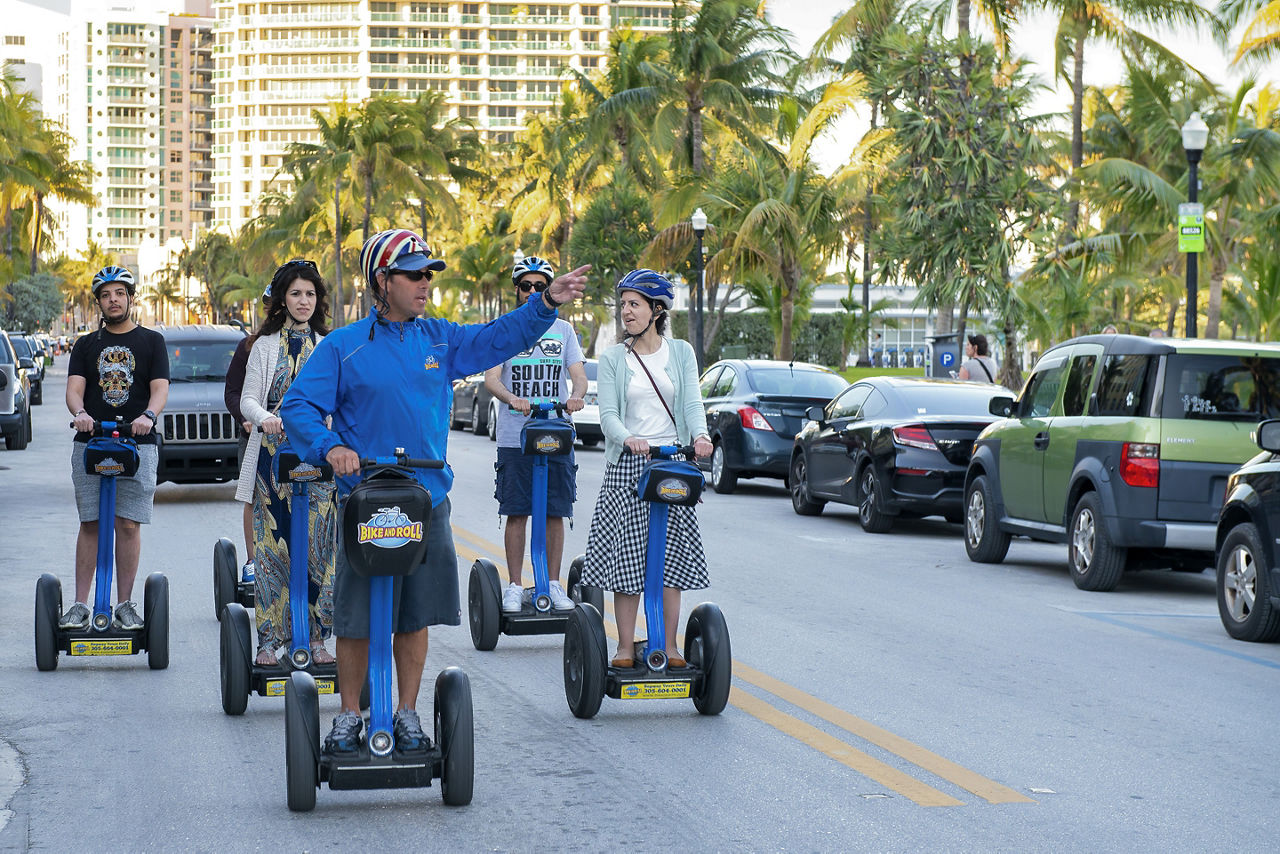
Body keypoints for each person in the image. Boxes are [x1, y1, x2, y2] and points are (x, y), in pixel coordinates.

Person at [281, 229, 588, 756]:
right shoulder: (344, 345)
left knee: (414, 614)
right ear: (383, 281)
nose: (426, 284)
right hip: (366, 500)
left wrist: (545, 304)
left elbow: (497, 337)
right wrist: (331, 448)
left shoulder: (441, 340)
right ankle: (349, 716)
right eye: (415, 275)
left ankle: (405, 713)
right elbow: (298, 408)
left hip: (425, 500)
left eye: (429, 274)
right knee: (356, 616)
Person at [580, 269, 713, 669]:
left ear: (657, 310)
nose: (626, 312)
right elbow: (608, 416)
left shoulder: (682, 352)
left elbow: (691, 403)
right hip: (629, 467)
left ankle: (669, 646)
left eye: (634, 304)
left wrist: (702, 436)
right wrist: (628, 438)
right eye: (623, 305)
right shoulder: (613, 358)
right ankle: (624, 646)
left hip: (672, 463)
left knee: (670, 558)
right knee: (629, 559)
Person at [235, 260, 336, 667]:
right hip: (273, 460)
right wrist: (265, 419)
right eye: (295, 293)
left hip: (317, 459)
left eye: (310, 294)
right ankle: (268, 643)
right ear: (282, 299)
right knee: (273, 551)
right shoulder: (264, 346)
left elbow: (338, 400)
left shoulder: (329, 344)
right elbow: (248, 400)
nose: (303, 301)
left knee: (318, 550)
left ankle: (317, 640)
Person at [61, 265, 170, 631]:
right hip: (91, 443)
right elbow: (74, 389)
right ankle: (79, 605)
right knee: (90, 524)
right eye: (106, 295)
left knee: (127, 525)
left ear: (131, 298)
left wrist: (149, 416)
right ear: (99, 303)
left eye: (120, 293)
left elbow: (159, 388)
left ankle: (124, 604)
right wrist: (81, 414)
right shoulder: (86, 345)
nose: (114, 300)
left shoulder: (152, 341)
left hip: (138, 443)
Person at [484, 255, 588, 614]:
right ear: (517, 290)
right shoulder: (506, 328)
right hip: (515, 436)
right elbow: (491, 377)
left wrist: (576, 396)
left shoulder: (564, 330)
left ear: (549, 289)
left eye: (539, 286)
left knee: (555, 511)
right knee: (517, 511)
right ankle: (514, 585)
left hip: (556, 430)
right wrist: (512, 398)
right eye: (526, 286)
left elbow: (579, 374)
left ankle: (554, 582)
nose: (532, 291)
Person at [224, 328, 255, 585]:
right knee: (255, 497)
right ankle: (254, 560)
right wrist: (244, 419)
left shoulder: (317, 342)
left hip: (301, 437)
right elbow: (233, 392)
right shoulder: (249, 346)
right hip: (257, 435)